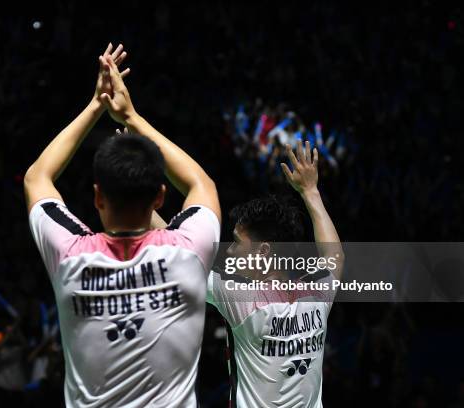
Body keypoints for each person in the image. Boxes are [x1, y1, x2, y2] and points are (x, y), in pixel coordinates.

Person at [24, 43, 221, 407]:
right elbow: (200, 184)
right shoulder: (189, 250)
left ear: (98, 197)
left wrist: (97, 104)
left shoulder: (70, 255)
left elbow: (38, 177)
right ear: (160, 197)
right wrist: (131, 117)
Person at [207, 141, 343, 407]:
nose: (231, 251)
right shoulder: (316, 294)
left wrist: (141, 204)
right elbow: (334, 256)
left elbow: (180, 251)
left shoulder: (238, 297)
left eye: (236, 242)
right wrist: (311, 191)